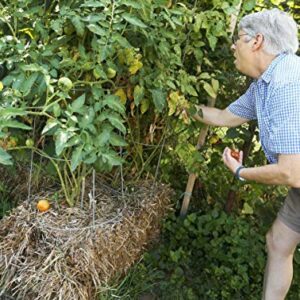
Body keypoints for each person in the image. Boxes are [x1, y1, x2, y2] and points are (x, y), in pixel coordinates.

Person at [190, 8, 300, 300]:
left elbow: (291, 171)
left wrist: (241, 172)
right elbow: (224, 117)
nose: (233, 47)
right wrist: (176, 104)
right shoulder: (264, 84)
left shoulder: (286, 84)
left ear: (256, 41)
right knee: (278, 242)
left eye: (238, 38)